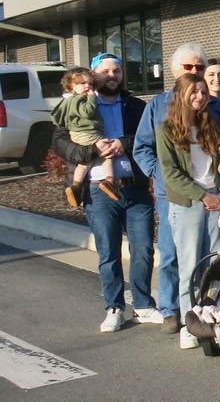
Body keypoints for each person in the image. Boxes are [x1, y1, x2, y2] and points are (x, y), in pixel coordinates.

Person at [52, 53, 156, 333]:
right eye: (105, 71)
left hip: (134, 186)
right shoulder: (76, 102)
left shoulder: (135, 105)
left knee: (144, 249)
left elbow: (150, 136)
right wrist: (91, 151)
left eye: (117, 71)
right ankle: (114, 307)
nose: (112, 76)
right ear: (93, 74)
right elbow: (59, 141)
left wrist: (122, 144)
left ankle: (144, 304)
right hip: (97, 190)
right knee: (108, 252)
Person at [132, 44, 220, 333]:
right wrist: (161, 177)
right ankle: (173, 311)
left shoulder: (214, 109)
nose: (195, 74)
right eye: (189, 68)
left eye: (200, 68)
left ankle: (207, 313)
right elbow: (143, 149)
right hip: (174, 195)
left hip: (213, 196)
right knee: (174, 256)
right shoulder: (158, 107)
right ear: (176, 71)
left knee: (210, 259)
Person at [155, 74, 220, 350]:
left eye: (203, 91)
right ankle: (189, 323)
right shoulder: (166, 131)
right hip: (188, 206)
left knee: (212, 267)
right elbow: (170, 174)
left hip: (215, 204)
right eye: (193, 92)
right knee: (189, 268)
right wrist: (203, 195)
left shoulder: (213, 126)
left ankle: (209, 317)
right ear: (180, 95)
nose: (199, 96)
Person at [54, 67, 113, 207]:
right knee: (107, 154)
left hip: (80, 134)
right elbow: (87, 112)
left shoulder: (70, 100)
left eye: (90, 84)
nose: (87, 86)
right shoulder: (78, 100)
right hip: (87, 134)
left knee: (85, 164)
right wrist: (92, 97)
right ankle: (110, 181)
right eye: (82, 83)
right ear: (71, 86)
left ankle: (75, 186)